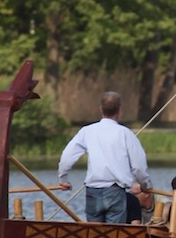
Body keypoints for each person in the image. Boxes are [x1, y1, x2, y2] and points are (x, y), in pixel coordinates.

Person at [56, 91, 150, 223]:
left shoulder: (87, 131)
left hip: (93, 191)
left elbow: (67, 156)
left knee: (95, 235)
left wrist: (63, 179)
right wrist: (145, 184)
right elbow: (138, 165)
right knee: (113, 236)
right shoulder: (125, 133)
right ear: (119, 110)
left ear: (100, 110)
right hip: (115, 191)